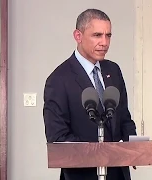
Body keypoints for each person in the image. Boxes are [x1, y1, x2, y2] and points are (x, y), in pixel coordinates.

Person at [43, 9, 137, 180]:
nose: (104, 42)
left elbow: (124, 118)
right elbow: (57, 136)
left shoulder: (113, 70)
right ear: (78, 36)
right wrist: (98, 153)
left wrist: (134, 147)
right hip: (81, 175)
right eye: (97, 35)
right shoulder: (58, 79)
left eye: (108, 35)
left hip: (117, 174)